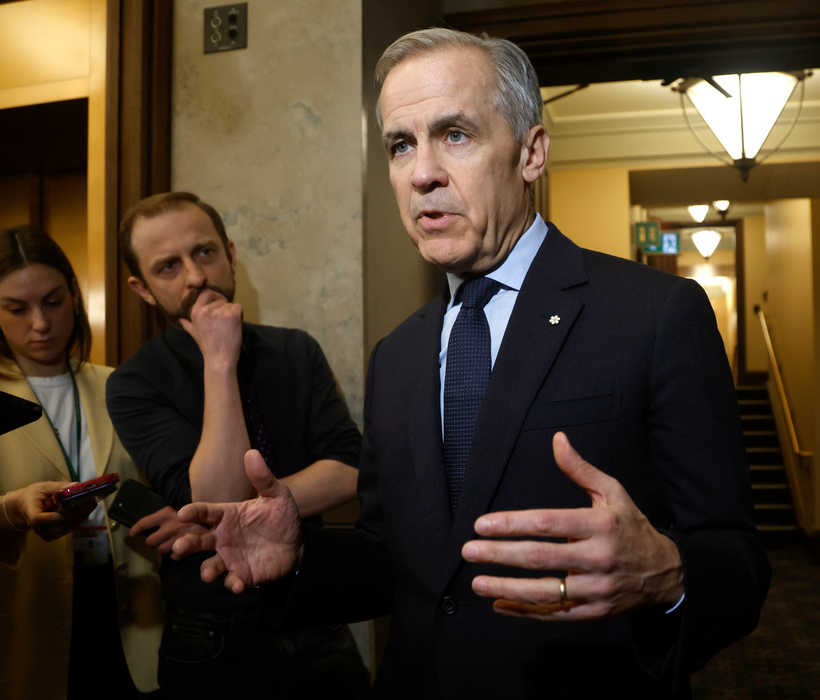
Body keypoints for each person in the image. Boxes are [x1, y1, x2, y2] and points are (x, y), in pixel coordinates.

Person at [174, 28, 771, 698]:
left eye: (455, 134)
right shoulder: (396, 355)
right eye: (402, 145)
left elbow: (737, 562)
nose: (422, 172)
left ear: (531, 153)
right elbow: (395, 561)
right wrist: (299, 559)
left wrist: (669, 574)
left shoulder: (655, 315)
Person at [106, 191, 371, 699]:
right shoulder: (134, 382)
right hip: (212, 636)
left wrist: (230, 511)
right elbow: (218, 490)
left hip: (314, 613)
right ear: (141, 289)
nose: (195, 276)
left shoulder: (295, 350)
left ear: (229, 254)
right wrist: (219, 362)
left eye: (204, 252)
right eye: (168, 266)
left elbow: (350, 467)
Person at [0, 225, 162, 699]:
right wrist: (12, 509)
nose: (40, 323)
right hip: (25, 609)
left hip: (124, 608)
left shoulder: (120, 385)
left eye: (53, 302)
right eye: (17, 308)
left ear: (75, 295)